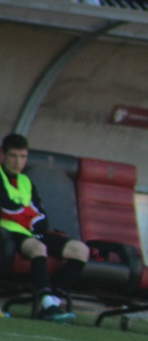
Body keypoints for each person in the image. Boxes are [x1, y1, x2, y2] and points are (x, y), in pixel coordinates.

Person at [0, 133, 89, 322]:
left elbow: (42, 217)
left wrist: (26, 216)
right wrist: (28, 216)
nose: (18, 162)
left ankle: (53, 303)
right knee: (38, 248)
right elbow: (8, 210)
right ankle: (47, 303)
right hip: (9, 233)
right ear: (3, 155)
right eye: (13, 156)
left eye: (23, 156)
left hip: (32, 232)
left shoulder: (26, 182)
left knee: (80, 250)